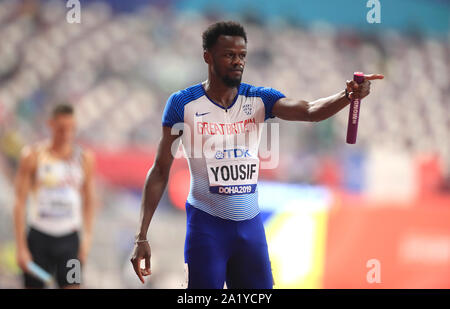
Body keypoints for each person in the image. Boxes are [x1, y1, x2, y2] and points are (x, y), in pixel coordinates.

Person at [130, 21, 383, 289]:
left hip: (250, 229)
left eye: (242, 55)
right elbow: (159, 170)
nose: (238, 61)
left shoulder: (259, 99)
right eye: (229, 54)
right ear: (208, 56)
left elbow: (309, 110)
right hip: (206, 228)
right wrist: (141, 236)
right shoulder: (183, 103)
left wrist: (347, 95)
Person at [13, 104, 96, 288]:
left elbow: (90, 200)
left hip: (69, 239)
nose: (66, 134)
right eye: (61, 129)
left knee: (73, 285)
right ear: (50, 124)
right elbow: (19, 202)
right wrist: (21, 248)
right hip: (38, 238)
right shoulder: (33, 156)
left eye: (71, 129)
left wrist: (87, 239)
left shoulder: (84, 158)